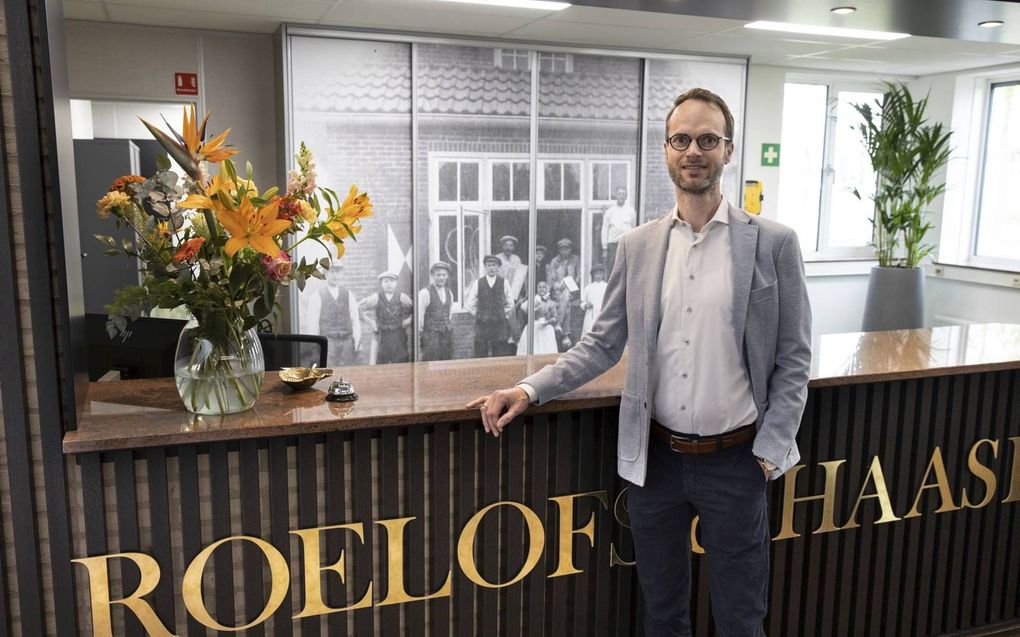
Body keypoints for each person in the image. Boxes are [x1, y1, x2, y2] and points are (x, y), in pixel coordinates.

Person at [468, 87, 812, 637]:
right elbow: (600, 345)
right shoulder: (638, 246)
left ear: (728, 149)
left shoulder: (773, 243)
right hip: (657, 463)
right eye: (681, 139)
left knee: (742, 619)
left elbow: (795, 358)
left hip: (738, 462)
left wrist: (770, 451)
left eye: (707, 139)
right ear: (666, 149)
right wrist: (528, 389)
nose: (693, 150)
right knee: (662, 615)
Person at [305, 261, 361, 367]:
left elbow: (355, 319)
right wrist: (315, 346)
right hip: (328, 342)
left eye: (338, 272)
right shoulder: (317, 295)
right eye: (332, 272)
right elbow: (313, 324)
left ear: (341, 274)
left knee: (347, 372)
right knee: (329, 371)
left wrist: (356, 340)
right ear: (326, 274)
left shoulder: (348, 294)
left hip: (347, 342)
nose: (336, 275)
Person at [359, 271, 413, 364]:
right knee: (381, 365)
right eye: (386, 281)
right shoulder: (376, 297)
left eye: (391, 281)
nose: (389, 284)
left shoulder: (402, 297)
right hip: (382, 336)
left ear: (396, 283)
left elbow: (416, 310)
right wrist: (371, 322)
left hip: (399, 336)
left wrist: (407, 322)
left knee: (400, 364)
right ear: (381, 284)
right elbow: (359, 308)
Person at [466, 255, 514, 357]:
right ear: (485, 267)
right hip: (482, 324)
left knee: (499, 351)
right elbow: (470, 304)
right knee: (480, 350)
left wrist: (501, 314)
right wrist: (479, 314)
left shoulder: (504, 282)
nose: (491, 268)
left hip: (499, 324)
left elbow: (510, 303)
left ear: (498, 267)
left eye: (493, 265)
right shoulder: (478, 283)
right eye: (489, 265)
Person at [418, 261, 454, 361]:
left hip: (446, 335)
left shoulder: (449, 293)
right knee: (430, 362)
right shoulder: (425, 293)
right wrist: (422, 335)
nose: (441, 278)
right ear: (433, 276)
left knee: (446, 361)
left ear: (447, 276)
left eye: (444, 275)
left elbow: (449, 314)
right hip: (431, 336)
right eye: (438, 275)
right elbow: (419, 317)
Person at [515, 280, 559, 355]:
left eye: (544, 287)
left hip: (546, 328)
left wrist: (547, 322)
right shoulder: (531, 301)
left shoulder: (551, 303)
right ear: (537, 289)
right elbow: (523, 312)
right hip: (533, 327)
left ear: (547, 289)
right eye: (539, 287)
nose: (542, 289)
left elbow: (555, 318)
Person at [601, 186, 637, 271]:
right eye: (619, 194)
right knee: (613, 268)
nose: (621, 196)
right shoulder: (610, 212)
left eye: (623, 194)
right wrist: (604, 247)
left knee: (626, 267)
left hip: (627, 243)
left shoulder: (630, 211)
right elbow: (604, 230)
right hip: (613, 245)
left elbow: (635, 229)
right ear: (616, 195)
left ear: (626, 197)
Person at [579, 263, 608, 336]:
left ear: (603, 275)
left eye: (600, 274)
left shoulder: (606, 286)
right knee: (589, 331)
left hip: (602, 313)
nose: (598, 276)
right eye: (596, 274)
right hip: (590, 314)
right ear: (593, 275)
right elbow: (582, 302)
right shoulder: (589, 288)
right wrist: (586, 305)